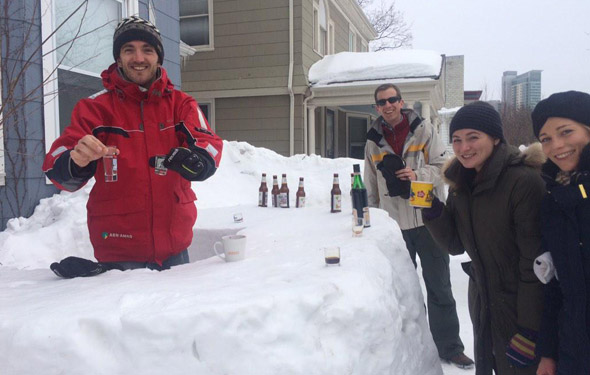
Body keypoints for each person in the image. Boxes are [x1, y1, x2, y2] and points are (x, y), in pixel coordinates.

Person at [42, 16, 223, 277]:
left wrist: (196, 161)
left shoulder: (181, 105)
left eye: (147, 50)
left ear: (158, 57)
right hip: (118, 254)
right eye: (129, 50)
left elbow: (210, 146)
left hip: (175, 251)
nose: (138, 58)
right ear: (119, 58)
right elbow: (55, 165)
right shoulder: (94, 108)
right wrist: (75, 160)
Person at [422, 101, 546, 375]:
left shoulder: (523, 182)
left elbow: (534, 265)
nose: (463, 148)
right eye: (456, 140)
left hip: (519, 306)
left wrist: (529, 328)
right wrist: (433, 212)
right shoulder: (461, 184)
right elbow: (454, 245)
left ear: (496, 137)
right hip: (483, 301)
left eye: (473, 137)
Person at [364, 83, 473, 369]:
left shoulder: (424, 131)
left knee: (439, 287)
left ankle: (450, 347)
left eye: (392, 99)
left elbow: (443, 167)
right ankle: (416, 347)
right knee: (404, 290)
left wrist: (416, 174)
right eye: (382, 102)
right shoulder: (373, 141)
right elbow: (370, 183)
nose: (388, 105)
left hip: (428, 221)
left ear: (401, 102)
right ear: (376, 107)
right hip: (394, 226)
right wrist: (374, 220)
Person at [531, 91, 590, 375]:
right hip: (573, 351)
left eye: (566, 132)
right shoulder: (554, 201)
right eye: (546, 139)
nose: (557, 145)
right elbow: (556, 286)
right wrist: (548, 353)